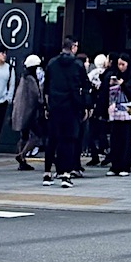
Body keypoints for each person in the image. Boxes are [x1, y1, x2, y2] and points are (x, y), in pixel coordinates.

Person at [43, 38, 90, 186]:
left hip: (55, 105)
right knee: (69, 140)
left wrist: (46, 106)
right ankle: (66, 174)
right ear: (73, 47)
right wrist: (86, 106)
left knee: (52, 139)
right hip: (72, 106)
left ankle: (47, 173)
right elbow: (85, 85)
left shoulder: (52, 63)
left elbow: (46, 87)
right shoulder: (78, 64)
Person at [11, 54, 44, 168]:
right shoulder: (31, 79)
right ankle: (22, 155)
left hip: (21, 111)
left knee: (24, 136)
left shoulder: (23, 77)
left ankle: (22, 162)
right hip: (30, 112)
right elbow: (36, 95)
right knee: (37, 136)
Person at [106, 55, 131, 174]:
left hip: (127, 113)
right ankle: (115, 165)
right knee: (115, 140)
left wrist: (123, 85)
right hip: (115, 112)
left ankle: (125, 166)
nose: (121, 67)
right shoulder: (115, 75)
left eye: (123, 64)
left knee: (126, 140)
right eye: (119, 64)